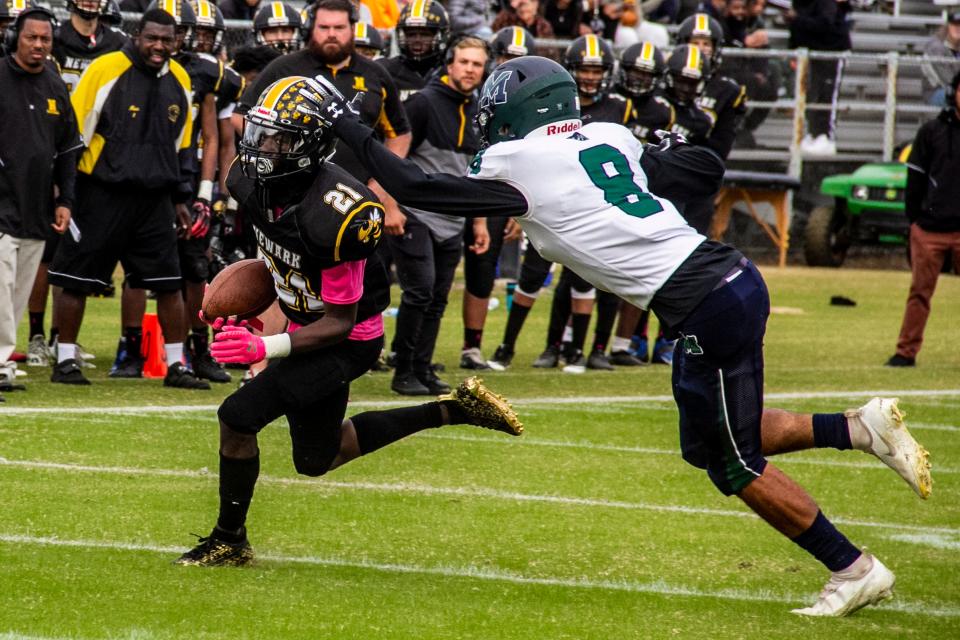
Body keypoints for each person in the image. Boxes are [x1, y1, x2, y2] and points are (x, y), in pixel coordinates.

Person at [319, 55, 934, 616]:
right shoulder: (610, 135)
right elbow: (703, 169)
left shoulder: (518, 160)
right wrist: (671, 147)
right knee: (707, 444)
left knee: (733, 464)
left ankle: (853, 567)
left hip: (702, 301)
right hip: (726, 283)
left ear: (519, 112)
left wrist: (351, 128)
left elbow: (421, 190)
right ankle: (858, 428)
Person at [174, 75, 523, 566]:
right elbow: (275, 257)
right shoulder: (251, 180)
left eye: (279, 139)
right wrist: (254, 310)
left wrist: (264, 350)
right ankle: (453, 410)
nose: (261, 146)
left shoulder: (340, 213)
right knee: (318, 458)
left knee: (237, 416)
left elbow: (340, 321)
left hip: (346, 340)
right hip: (303, 321)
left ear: (310, 145)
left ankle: (229, 539)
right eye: (260, 133)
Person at [48, 9, 208, 389]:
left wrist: (182, 198)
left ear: (176, 41)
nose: (158, 46)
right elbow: (73, 132)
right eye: (152, 38)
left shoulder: (181, 79)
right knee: (75, 280)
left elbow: (182, 146)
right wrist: (65, 190)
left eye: (167, 40)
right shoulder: (106, 69)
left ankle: (176, 365)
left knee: (169, 283)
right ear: (138, 35)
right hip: (101, 193)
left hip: (154, 200)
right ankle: (65, 360)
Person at [23, 0, 127, 371]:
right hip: (48, 143)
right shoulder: (56, 38)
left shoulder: (116, 41)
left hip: (90, 157)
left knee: (69, 256)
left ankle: (57, 336)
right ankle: (37, 334)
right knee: (45, 252)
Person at [387, 35, 490, 394]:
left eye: (477, 64)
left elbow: (476, 169)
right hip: (415, 214)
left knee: (437, 297)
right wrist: (390, 206)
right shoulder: (423, 103)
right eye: (464, 62)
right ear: (450, 64)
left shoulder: (480, 109)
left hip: (453, 220)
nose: (470, 70)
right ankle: (403, 371)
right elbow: (392, 156)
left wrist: (478, 221)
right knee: (420, 290)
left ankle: (422, 368)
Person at [0, 6, 82, 397]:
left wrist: (65, 198)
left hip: (36, 208)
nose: (38, 44)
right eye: (31, 37)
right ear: (16, 36)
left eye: (45, 39)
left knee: (18, 292)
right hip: (1, 204)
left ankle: (2, 362)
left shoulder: (54, 84)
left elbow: (68, 147)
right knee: (0, 286)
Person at [885, 70, 960, 368]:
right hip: (930, 229)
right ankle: (906, 351)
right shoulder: (931, 131)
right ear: (953, 92)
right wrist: (914, 220)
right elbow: (914, 178)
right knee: (919, 292)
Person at [786, 0, 850, 156]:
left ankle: (827, 137)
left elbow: (824, 25)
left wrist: (797, 19)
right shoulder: (799, 4)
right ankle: (814, 134)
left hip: (832, 52)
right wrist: (793, 47)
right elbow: (796, 27)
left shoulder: (825, 3)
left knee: (827, 95)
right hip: (810, 53)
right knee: (812, 94)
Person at [378, 0, 450, 101]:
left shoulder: (452, 72)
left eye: (425, 35)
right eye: (411, 34)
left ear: (440, 36)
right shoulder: (384, 70)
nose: (417, 40)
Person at [920, 9, 960, 108]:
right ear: (947, 26)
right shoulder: (935, 47)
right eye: (954, 24)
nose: (958, 28)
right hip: (937, 92)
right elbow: (947, 81)